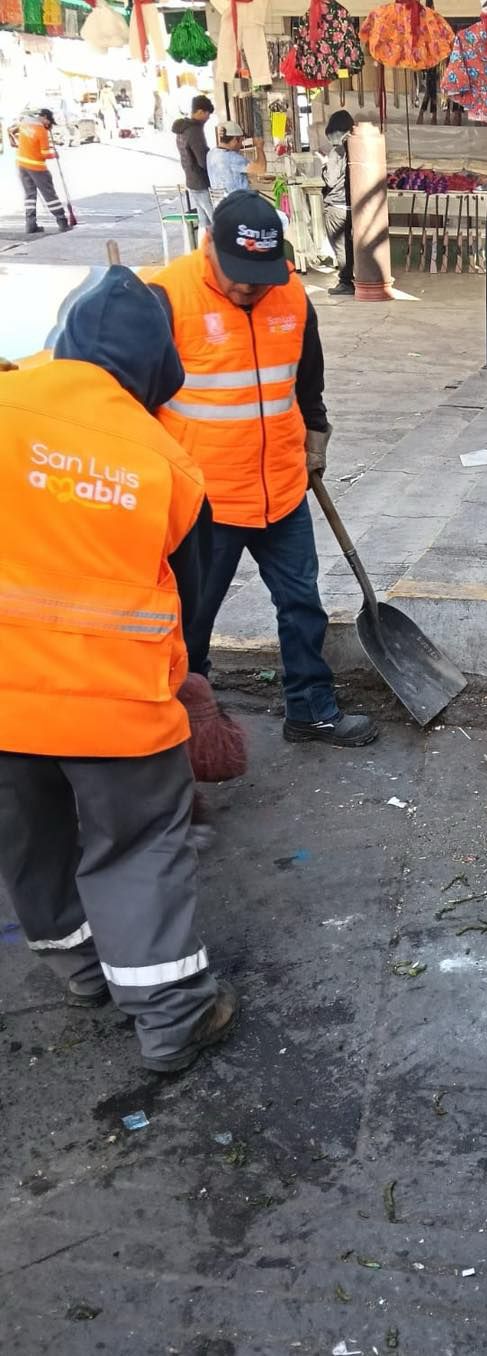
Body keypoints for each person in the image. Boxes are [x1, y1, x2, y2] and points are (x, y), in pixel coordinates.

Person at [0, 265, 237, 1075]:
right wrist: (189, 682)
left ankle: (78, 971)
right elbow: (189, 600)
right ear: (156, 373)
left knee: (31, 840)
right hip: (117, 711)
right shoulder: (163, 460)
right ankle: (172, 1019)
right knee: (136, 847)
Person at [149, 191, 377, 748]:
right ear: (211, 248)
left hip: (281, 487)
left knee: (303, 605)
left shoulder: (293, 297)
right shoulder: (165, 296)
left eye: (261, 274)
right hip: (205, 501)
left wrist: (315, 440)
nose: (249, 286)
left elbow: (308, 386)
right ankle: (178, 730)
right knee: (191, 621)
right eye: (238, 274)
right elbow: (133, 400)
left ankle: (310, 709)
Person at [15, 108, 70, 236]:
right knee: (50, 195)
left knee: (30, 196)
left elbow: (13, 134)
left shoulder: (24, 124)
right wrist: (54, 154)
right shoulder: (41, 130)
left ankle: (30, 225)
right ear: (44, 117)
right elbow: (44, 154)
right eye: (48, 121)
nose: (48, 124)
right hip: (36, 167)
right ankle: (62, 222)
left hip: (21, 164)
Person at [322, 109, 354, 297]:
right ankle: (350, 276)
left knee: (340, 246)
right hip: (350, 205)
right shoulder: (354, 148)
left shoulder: (336, 152)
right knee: (349, 245)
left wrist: (325, 163)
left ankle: (345, 282)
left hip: (336, 206)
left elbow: (331, 180)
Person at [172, 94, 214, 231]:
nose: (208, 118)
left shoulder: (182, 129)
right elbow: (202, 159)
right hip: (200, 181)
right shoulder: (194, 130)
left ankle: (203, 250)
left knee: (204, 222)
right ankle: (219, 250)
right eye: (207, 114)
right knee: (215, 221)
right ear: (200, 112)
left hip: (190, 180)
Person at [207, 119, 253, 194]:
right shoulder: (233, 158)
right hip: (238, 203)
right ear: (235, 140)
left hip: (220, 203)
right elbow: (261, 168)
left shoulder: (211, 154)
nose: (241, 144)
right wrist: (259, 147)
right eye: (241, 140)